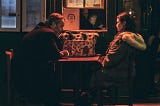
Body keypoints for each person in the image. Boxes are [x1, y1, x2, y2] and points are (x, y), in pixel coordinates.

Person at [87, 11, 146, 104]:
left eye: (118, 22)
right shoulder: (133, 37)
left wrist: (101, 60)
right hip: (126, 72)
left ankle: (89, 100)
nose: (116, 25)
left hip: (118, 73)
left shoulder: (123, 40)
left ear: (124, 23)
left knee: (94, 74)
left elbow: (110, 61)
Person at [11, 13, 69, 106]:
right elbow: (55, 54)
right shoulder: (48, 33)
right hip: (28, 78)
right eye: (61, 26)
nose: (62, 29)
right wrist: (63, 52)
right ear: (53, 24)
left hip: (21, 73)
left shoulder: (40, 30)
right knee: (54, 81)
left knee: (51, 76)